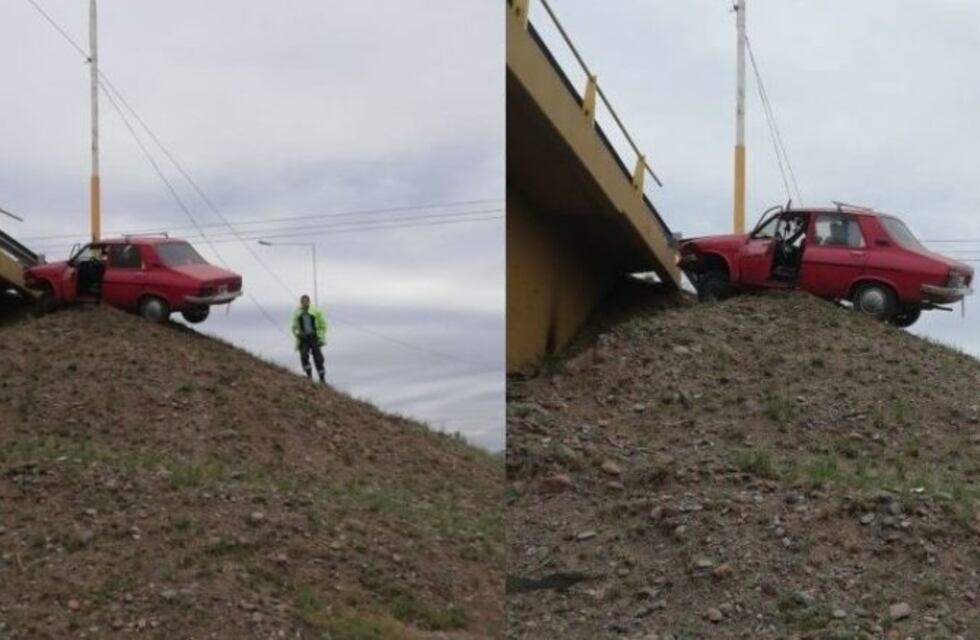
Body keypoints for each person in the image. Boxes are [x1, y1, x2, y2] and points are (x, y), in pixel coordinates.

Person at [291, 294, 327, 383]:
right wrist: (298, 334)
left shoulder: (316, 311)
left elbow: (323, 326)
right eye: (302, 302)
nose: (304, 304)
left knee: (318, 358)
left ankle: (322, 378)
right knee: (303, 356)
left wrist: (320, 337)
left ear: (309, 302)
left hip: (314, 338)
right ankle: (309, 375)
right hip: (304, 339)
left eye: (305, 302)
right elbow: (294, 327)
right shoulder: (297, 313)